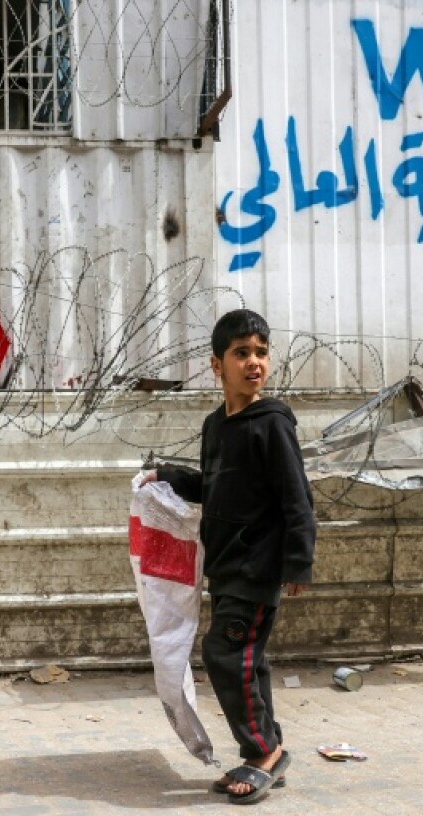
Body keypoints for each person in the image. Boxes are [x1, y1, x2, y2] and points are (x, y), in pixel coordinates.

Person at [143, 308, 316, 805]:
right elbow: (214, 489)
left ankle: (263, 752)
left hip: (258, 566)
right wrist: (171, 477)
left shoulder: (272, 424)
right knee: (247, 661)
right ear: (217, 364)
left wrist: (297, 561)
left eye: (261, 352)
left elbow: (297, 497)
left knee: (226, 654)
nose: (254, 362)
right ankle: (268, 746)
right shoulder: (215, 427)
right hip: (225, 566)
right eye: (242, 353)